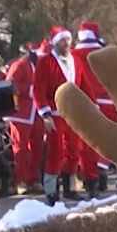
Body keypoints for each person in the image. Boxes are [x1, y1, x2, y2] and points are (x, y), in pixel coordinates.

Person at [34, 26, 82, 205]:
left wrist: (93, 106)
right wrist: (45, 114)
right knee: (56, 151)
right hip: (55, 114)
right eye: (63, 40)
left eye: (68, 39)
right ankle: (51, 190)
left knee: (74, 150)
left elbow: (83, 85)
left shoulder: (76, 60)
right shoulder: (45, 62)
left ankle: (70, 187)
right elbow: (38, 90)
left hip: (74, 114)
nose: (67, 43)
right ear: (55, 43)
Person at [72, 20, 109, 198]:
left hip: (80, 103)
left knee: (83, 144)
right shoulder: (103, 53)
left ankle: (88, 181)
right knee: (103, 142)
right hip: (106, 102)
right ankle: (100, 176)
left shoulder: (71, 55)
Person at [4, 42, 43, 195]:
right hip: (21, 114)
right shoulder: (20, 65)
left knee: (37, 149)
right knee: (21, 149)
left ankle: (33, 180)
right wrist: (31, 90)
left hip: (37, 113)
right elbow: (10, 84)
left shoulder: (41, 66)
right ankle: (20, 181)